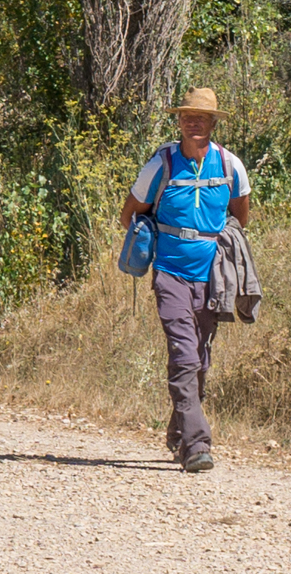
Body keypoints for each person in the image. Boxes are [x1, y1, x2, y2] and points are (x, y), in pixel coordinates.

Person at [119, 88, 250, 474]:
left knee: (201, 360)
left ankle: (178, 434)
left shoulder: (230, 165)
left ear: (212, 124)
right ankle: (197, 444)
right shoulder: (160, 164)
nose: (194, 123)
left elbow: (240, 218)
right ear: (179, 122)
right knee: (184, 355)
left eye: (202, 118)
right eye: (188, 117)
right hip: (170, 275)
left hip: (212, 278)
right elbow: (129, 215)